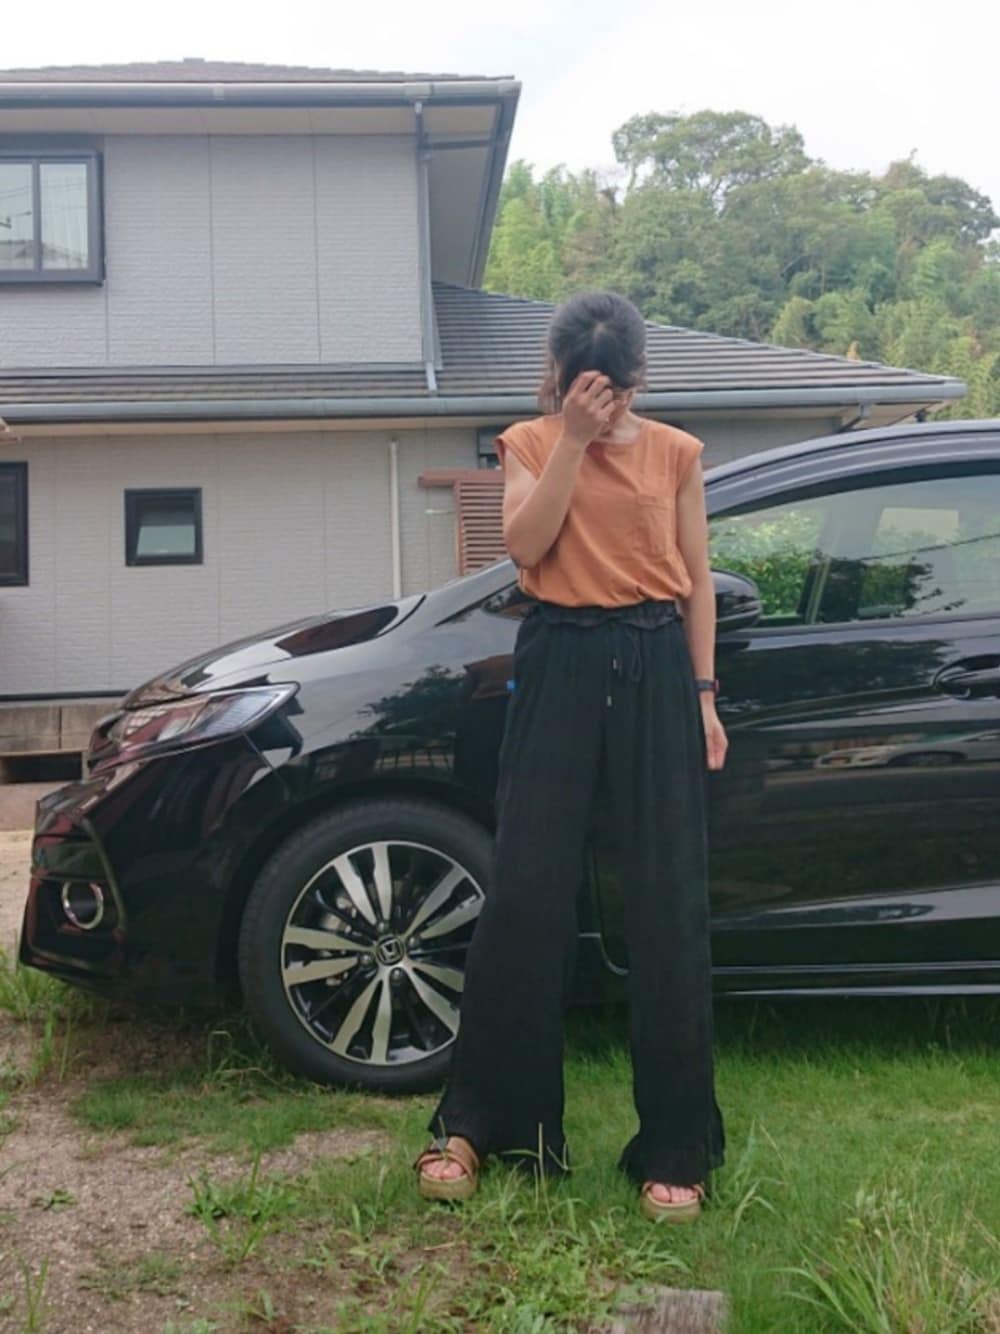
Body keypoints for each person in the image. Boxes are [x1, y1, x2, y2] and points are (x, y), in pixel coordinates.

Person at [412, 290, 728, 1223]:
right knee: (524, 895)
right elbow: (523, 545)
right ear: (557, 377)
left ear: (637, 379)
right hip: (557, 660)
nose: (607, 401)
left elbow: (698, 582)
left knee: (667, 901)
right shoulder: (530, 443)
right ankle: (478, 1124)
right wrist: (575, 442)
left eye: (618, 389)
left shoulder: (676, 454)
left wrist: (704, 697)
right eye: (590, 387)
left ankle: (676, 1144)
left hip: (654, 663)